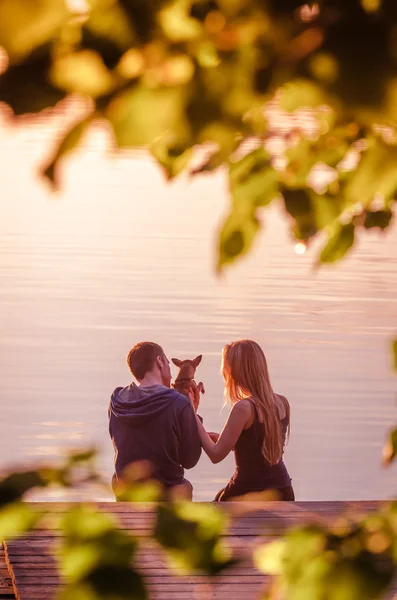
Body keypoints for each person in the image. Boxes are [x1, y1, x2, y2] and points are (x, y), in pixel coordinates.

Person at [195, 340, 294, 501]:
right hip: (283, 491)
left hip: (247, 492)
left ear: (235, 372)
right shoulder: (282, 403)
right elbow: (258, 446)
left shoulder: (244, 408)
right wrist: (226, 440)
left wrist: (192, 413)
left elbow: (215, 455)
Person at [109, 341, 202, 500]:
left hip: (128, 491)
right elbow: (190, 460)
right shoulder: (178, 402)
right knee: (185, 486)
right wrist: (192, 414)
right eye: (167, 363)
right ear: (159, 361)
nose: (171, 372)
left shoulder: (117, 400)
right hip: (166, 493)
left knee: (115, 478)